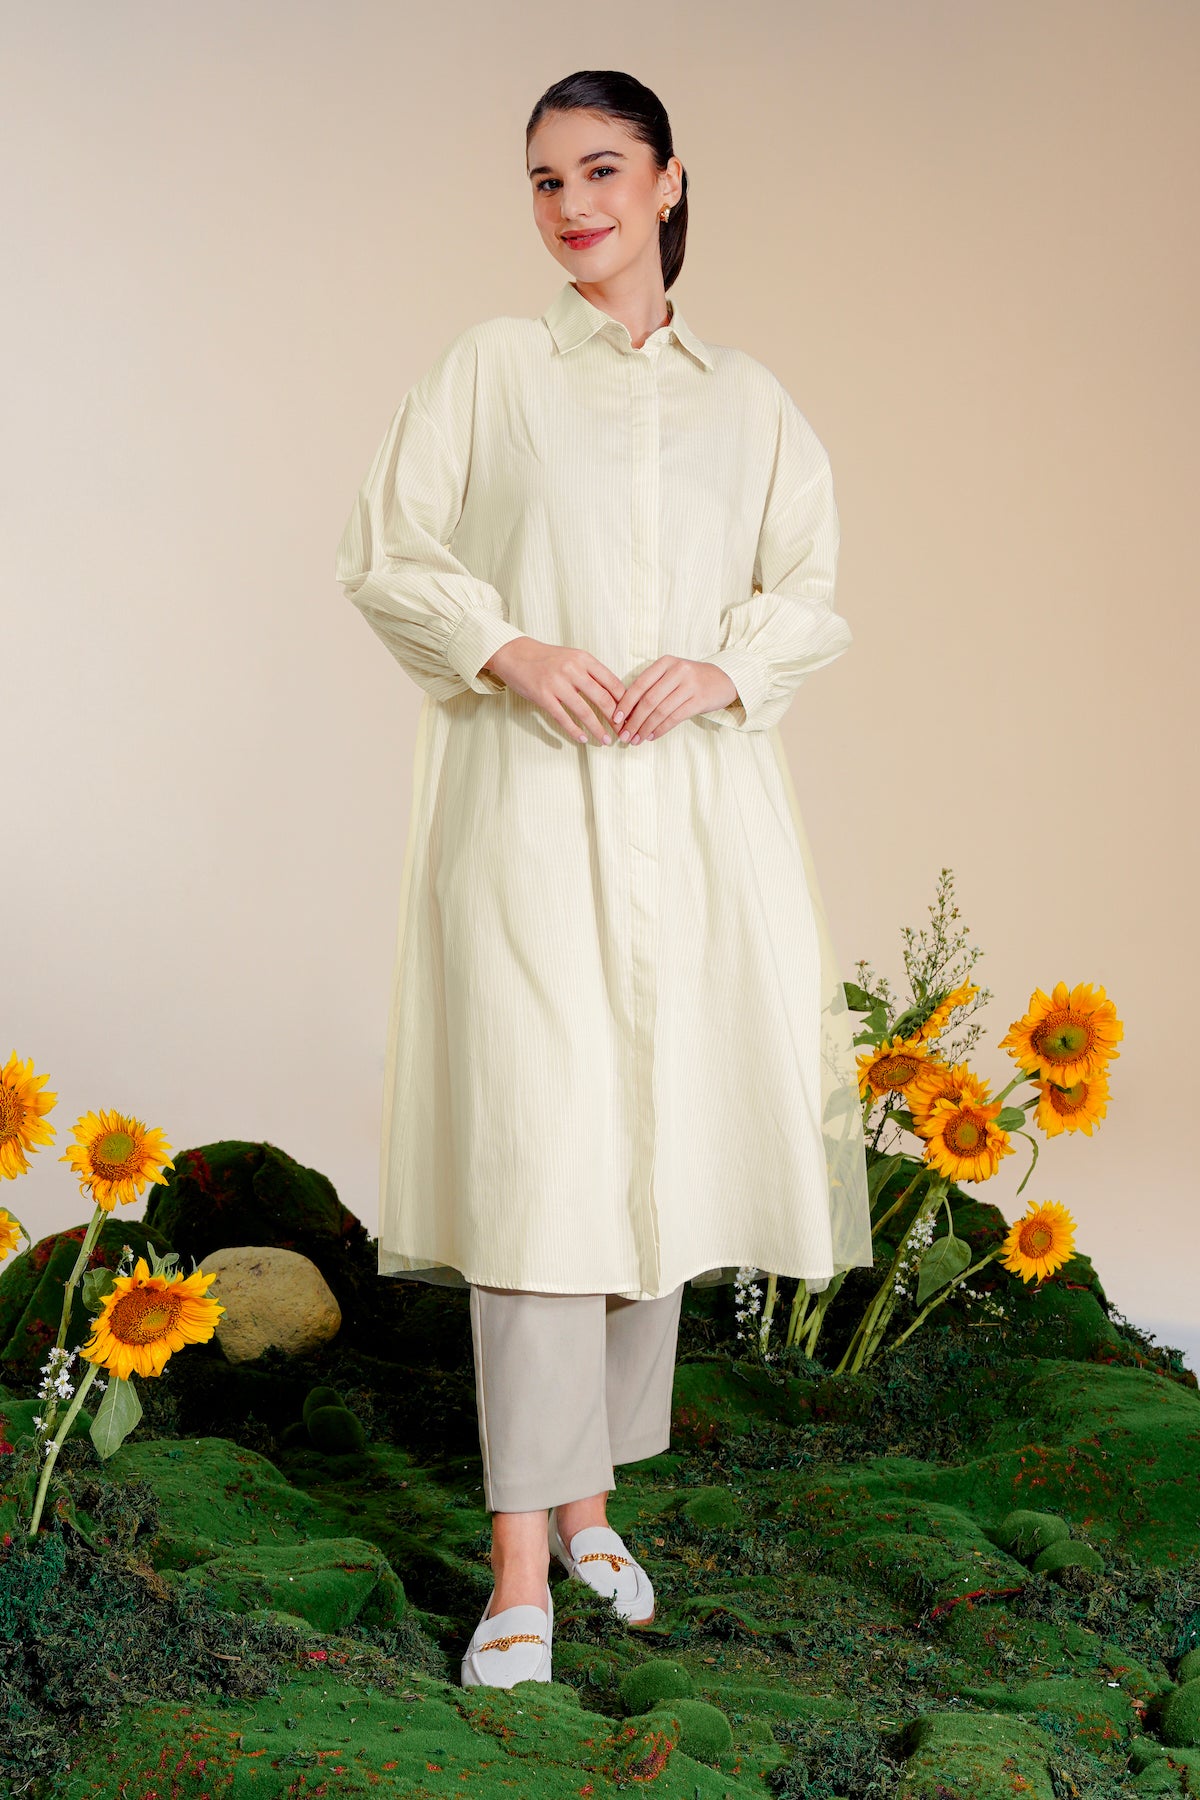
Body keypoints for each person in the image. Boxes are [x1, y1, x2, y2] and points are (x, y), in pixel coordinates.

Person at [334, 69, 873, 1690]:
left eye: (602, 171)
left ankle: (589, 1505)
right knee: (538, 1157)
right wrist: (510, 647)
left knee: (658, 1156)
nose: (573, 206)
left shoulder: (750, 402)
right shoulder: (493, 371)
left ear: (668, 182)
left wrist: (726, 666)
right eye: (546, 180)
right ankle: (520, 1565)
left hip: (696, 822)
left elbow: (810, 588)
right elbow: (387, 548)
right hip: (527, 812)